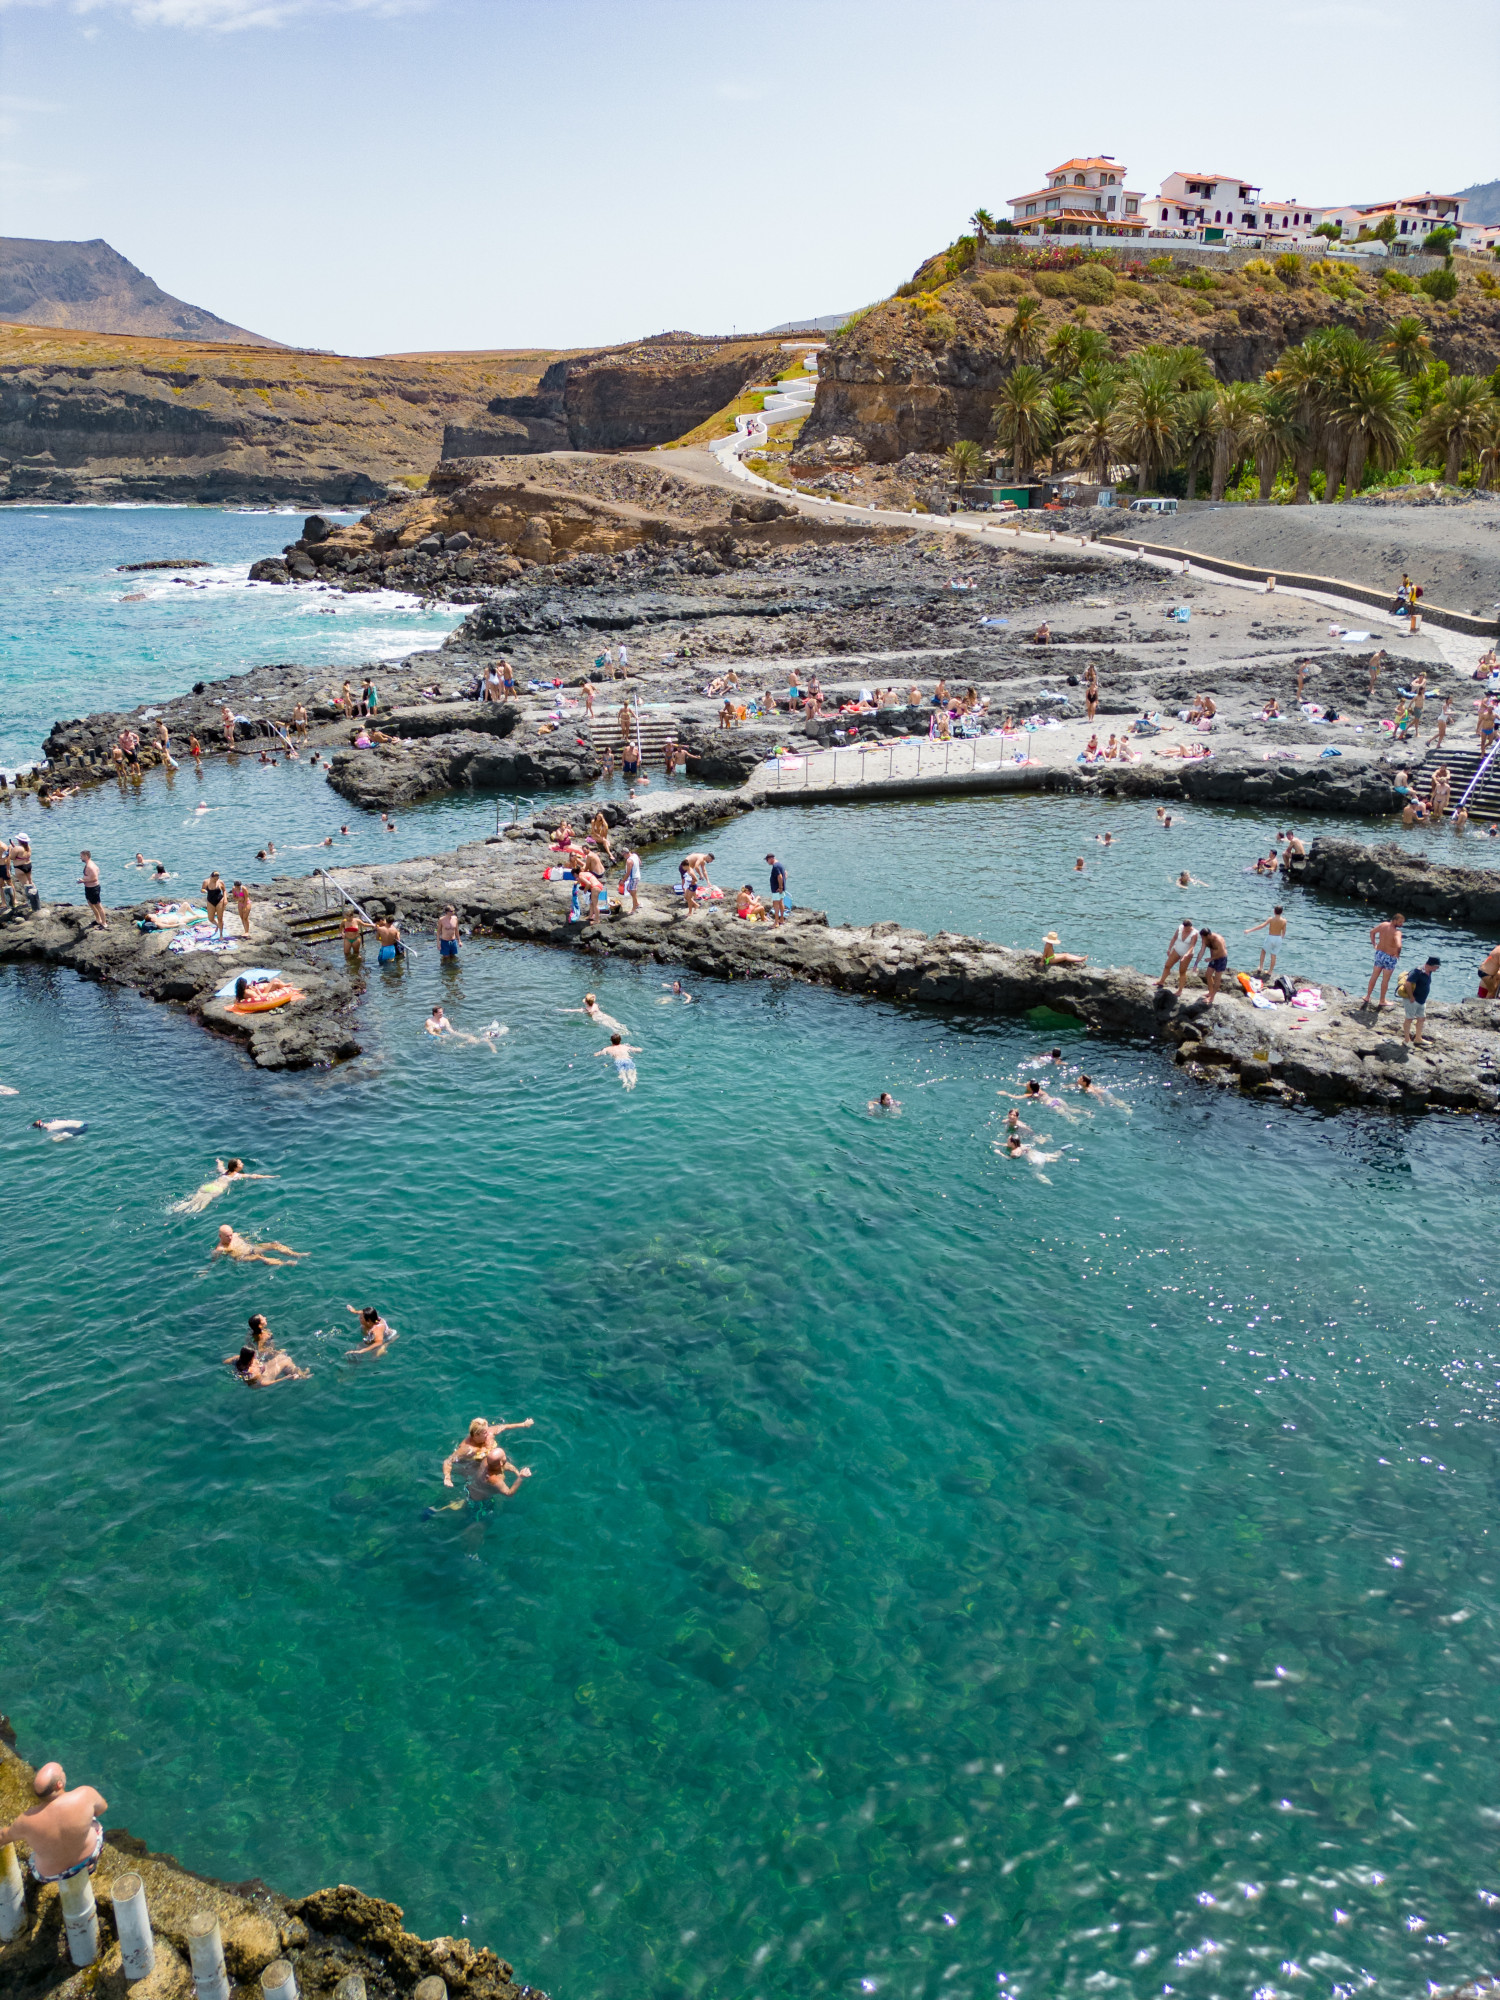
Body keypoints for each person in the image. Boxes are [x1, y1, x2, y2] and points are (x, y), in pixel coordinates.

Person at [0, 1762, 109, 1885]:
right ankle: (88, 1866)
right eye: (62, 1771)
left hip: (52, 1875)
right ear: (59, 1784)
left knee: (35, 1851)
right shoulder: (85, 1794)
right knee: (94, 1823)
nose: (63, 1772)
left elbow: (3, 1837)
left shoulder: (25, 1820)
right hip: (88, 1858)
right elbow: (102, 1808)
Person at [172, 1157, 274, 1214]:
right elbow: (254, 1176)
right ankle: (178, 1216)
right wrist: (268, 1177)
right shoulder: (237, 1175)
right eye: (240, 1163)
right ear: (236, 1167)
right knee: (197, 1208)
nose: (242, 1164)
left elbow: (219, 1166)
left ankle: (174, 1209)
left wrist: (219, 1161)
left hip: (207, 1186)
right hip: (216, 1190)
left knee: (193, 1201)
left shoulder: (224, 1171)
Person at [1362, 912, 1405, 1010]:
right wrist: (1398, 954)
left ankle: (1367, 997)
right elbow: (1399, 945)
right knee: (1385, 980)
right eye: (1400, 922)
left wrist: (1374, 945)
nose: (1401, 924)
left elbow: (1372, 932)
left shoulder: (1383, 925)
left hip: (1379, 954)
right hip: (1390, 957)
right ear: (1394, 920)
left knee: (1374, 975)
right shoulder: (1397, 932)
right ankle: (1382, 1000)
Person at [212, 1224, 306, 1267]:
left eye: (231, 1234)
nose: (230, 1237)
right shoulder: (220, 1248)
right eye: (227, 1236)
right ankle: (286, 1263)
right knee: (259, 1257)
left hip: (251, 1248)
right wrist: (206, 1270)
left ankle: (296, 1254)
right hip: (242, 1257)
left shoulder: (235, 1235)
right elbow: (214, 1261)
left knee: (274, 1244)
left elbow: (246, 1239)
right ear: (220, 1236)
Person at [1399, 955, 1440, 1046]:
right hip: (1413, 1000)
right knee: (1409, 1019)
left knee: (1421, 1018)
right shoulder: (1417, 971)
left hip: (1422, 1000)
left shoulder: (1429, 971)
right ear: (1431, 965)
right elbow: (1408, 984)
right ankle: (1406, 1040)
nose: (1437, 969)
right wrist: (1411, 997)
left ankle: (1418, 1038)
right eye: (1436, 967)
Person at [1158, 919, 1200, 990]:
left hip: (1187, 954)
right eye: (1185, 928)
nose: (1186, 930)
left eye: (1188, 929)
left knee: (1182, 971)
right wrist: (1169, 948)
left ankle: (1180, 990)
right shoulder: (1180, 928)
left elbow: (1192, 946)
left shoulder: (1194, 933)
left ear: (1190, 926)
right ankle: (1161, 981)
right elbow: (1174, 938)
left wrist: (1186, 954)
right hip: (1176, 950)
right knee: (1167, 965)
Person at [1245, 906, 1287, 975]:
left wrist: (1249, 930)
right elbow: (1284, 931)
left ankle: (1261, 967)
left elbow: (1261, 926)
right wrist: (1281, 938)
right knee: (1273, 955)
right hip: (1278, 938)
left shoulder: (1271, 919)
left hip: (1271, 937)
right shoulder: (1284, 921)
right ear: (1282, 912)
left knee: (1263, 951)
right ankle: (1270, 971)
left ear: (1274, 911)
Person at [1194, 926, 1230, 1003]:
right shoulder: (1205, 939)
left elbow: (1222, 953)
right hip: (1213, 958)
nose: (1203, 940)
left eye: (1204, 938)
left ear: (1209, 935)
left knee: (1217, 978)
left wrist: (1210, 959)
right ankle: (1210, 992)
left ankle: (1212, 997)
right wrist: (1196, 964)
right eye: (1202, 938)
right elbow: (1202, 951)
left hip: (1221, 959)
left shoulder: (1218, 940)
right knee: (1208, 974)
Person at [78, 850, 107, 930]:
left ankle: (104, 923)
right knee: (90, 902)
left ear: (86, 856)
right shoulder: (88, 864)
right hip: (88, 888)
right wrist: (84, 880)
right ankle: (98, 919)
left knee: (98, 905)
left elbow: (95, 878)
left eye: (82, 856)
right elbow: (97, 871)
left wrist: (84, 881)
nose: (80, 858)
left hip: (93, 888)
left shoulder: (90, 866)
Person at [202, 869, 227, 938]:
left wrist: (225, 899)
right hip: (210, 901)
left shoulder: (221, 882)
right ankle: (218, 926)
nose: (216, 880)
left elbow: (224, 890)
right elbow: (202, 889)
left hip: (219, 900)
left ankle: (221, 934)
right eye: (215, 878)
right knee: (210, 918)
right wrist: (204, 891)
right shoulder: (206, 882)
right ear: (211, 877)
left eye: (218, 878)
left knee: (220, 918)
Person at [618, 848, 642, 914]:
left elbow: (628, 873)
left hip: (633, 878)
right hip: (637, 875)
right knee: (632, 891)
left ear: (626, 853)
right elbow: (640, 863)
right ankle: (637, 903)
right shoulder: (635, 855)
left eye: (623, 855)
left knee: (633, 893)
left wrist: (623, 880)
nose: (623, 857)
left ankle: (633, 910)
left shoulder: (629, 861)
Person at [766, 853, 786, 923]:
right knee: (781, 903)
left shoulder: (775, 866)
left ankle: (776, 922)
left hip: (777, 889)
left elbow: (780, 876)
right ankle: (782, 919)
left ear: (771, 859)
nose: (767, 862)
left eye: (767, 860)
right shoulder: (780, 864)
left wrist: (780, 887)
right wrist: (783, 884)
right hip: (781, 889)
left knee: (776, 905)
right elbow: (785, 873)